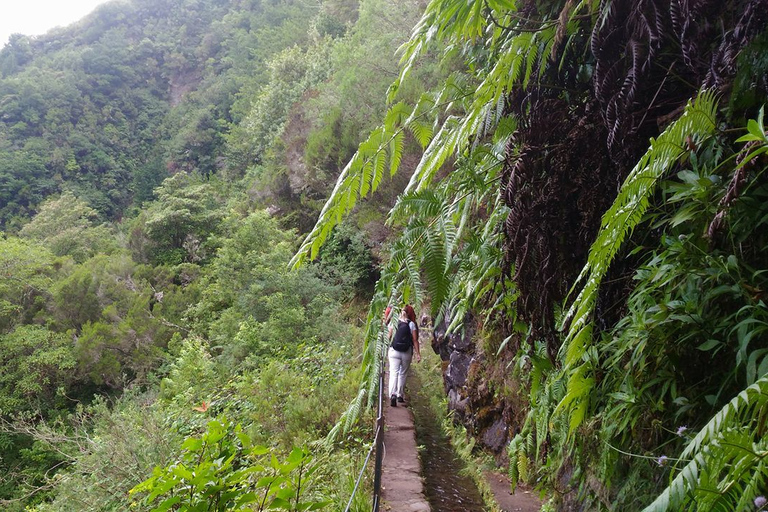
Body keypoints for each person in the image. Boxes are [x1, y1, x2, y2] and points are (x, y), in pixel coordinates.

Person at [388, 304, 421, 407]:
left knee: (394, 373)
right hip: (406, 352)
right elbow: (415, 340)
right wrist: (418, 354)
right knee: (403, 373)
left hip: (394, 351)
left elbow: (389, 337)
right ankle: (400, 395)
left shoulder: (394, 321)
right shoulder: (411, 324)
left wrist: (385, 348)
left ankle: (392, 394)